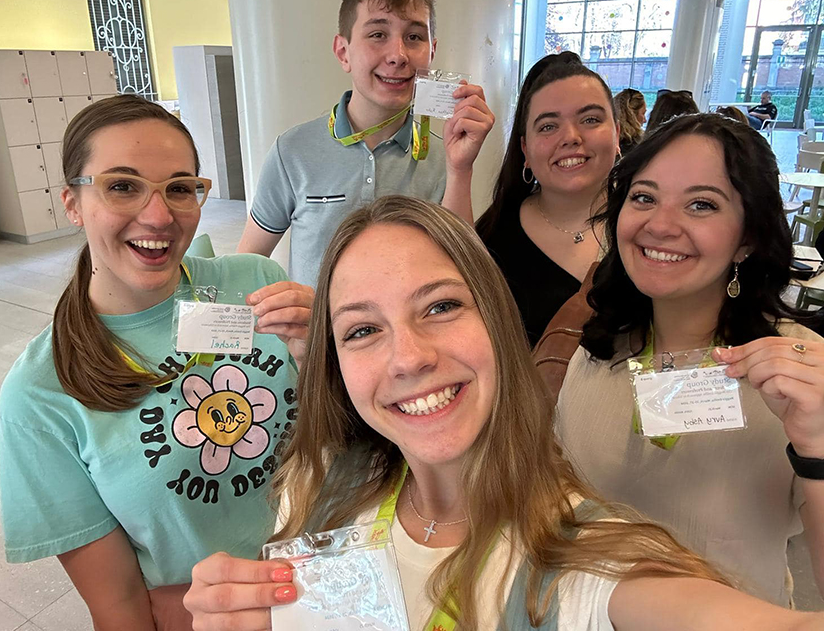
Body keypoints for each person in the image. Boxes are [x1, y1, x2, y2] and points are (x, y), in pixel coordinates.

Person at [183, 195, 824, 631]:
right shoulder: (320, 482)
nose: (407, 358)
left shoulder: (584, 566)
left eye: (439, 307)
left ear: (496, 319)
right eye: (360, 331)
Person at [0, 95, 312, 630]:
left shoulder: (257, 284)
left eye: (180, 188)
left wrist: (329, 354)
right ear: (72, 202)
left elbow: (354, 441)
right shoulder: (40, 395)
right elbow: (119, 608)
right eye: (122, 186)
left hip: (342, 586)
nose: (159, 215)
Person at [556, 112, 824, 606]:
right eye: (644, 197)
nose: (660, 225)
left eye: (701, 204)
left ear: (748, 237)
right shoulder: (596, 351)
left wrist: (816, 446)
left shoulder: (803, 374)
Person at [236, 0, 494, 288]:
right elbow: (246, 267)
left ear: (432, 52)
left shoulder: (447, 157)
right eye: (377, 35)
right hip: (313, 337)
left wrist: (461, 170)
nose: (398, 55)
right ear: (343, 52)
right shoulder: (292, 151)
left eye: (414, 37)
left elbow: (463, 273)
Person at [477, 52, 619, 347]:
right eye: (548, 126)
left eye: (590, 119)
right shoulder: (493, 239)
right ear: (525, 150)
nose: (570, 137)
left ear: (617, 133)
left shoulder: (653, 226)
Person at [613, 88, 646, 156]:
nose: (645, 120)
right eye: (643, 113)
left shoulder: (606, 139)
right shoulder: (638, 147)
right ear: (632, 115)